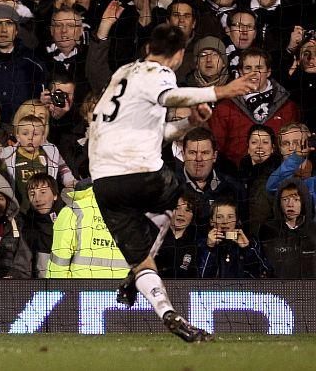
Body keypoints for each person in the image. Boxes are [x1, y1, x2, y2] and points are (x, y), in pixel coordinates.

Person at [88, 23, 254, 342]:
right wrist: (221, 91)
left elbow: (157, 134)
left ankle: (166, 311)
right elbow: (170, 96)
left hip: (104, 182)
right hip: (140, 172)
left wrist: (190, 123)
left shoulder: (124, 73)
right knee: (180, 196)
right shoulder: (159, 74)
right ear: (179, 55)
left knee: (141, 260)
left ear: (149, 45)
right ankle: (145, 257)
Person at [209, 48, 299, 167]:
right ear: (240, 72)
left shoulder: (288, 107)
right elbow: (216, 150)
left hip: (279, 177)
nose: (253, 73)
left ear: (269, 71)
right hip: (236, 179)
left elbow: (296, 148)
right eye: (248, 68)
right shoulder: (224, 108)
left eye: (259, 68)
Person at [48, 180, 130, 278]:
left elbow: (59, 259)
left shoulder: (72, 211)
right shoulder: (130, 212)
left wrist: (56, 289)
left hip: (81, 287)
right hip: (123, 286)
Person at [199, 197, 271, 278]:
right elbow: (200, 278)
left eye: (230, 217)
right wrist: (209, 248)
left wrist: (247, 249)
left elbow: (264, 275)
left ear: (237, 220)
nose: (225, 221)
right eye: (219, 217)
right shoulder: (201, 243)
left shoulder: (252, 242)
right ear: (211, 221)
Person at [259, 178, 316, 278]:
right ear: (279, 203)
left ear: (304, 202)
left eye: (296, 199)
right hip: (278, 290)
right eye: (285, 199)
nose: (290, 204)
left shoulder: (313, 229)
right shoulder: (267, 230)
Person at [21, 173, 64, 277]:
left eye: (43, 192)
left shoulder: (70, 219)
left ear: (55, 195)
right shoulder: (25, 225)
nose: (37, 198)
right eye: (32, 194)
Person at [155, 193, 199, 278]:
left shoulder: (198, 243)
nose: (181, 214)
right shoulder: (154, 239)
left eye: (187, 210)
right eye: (176, 208)